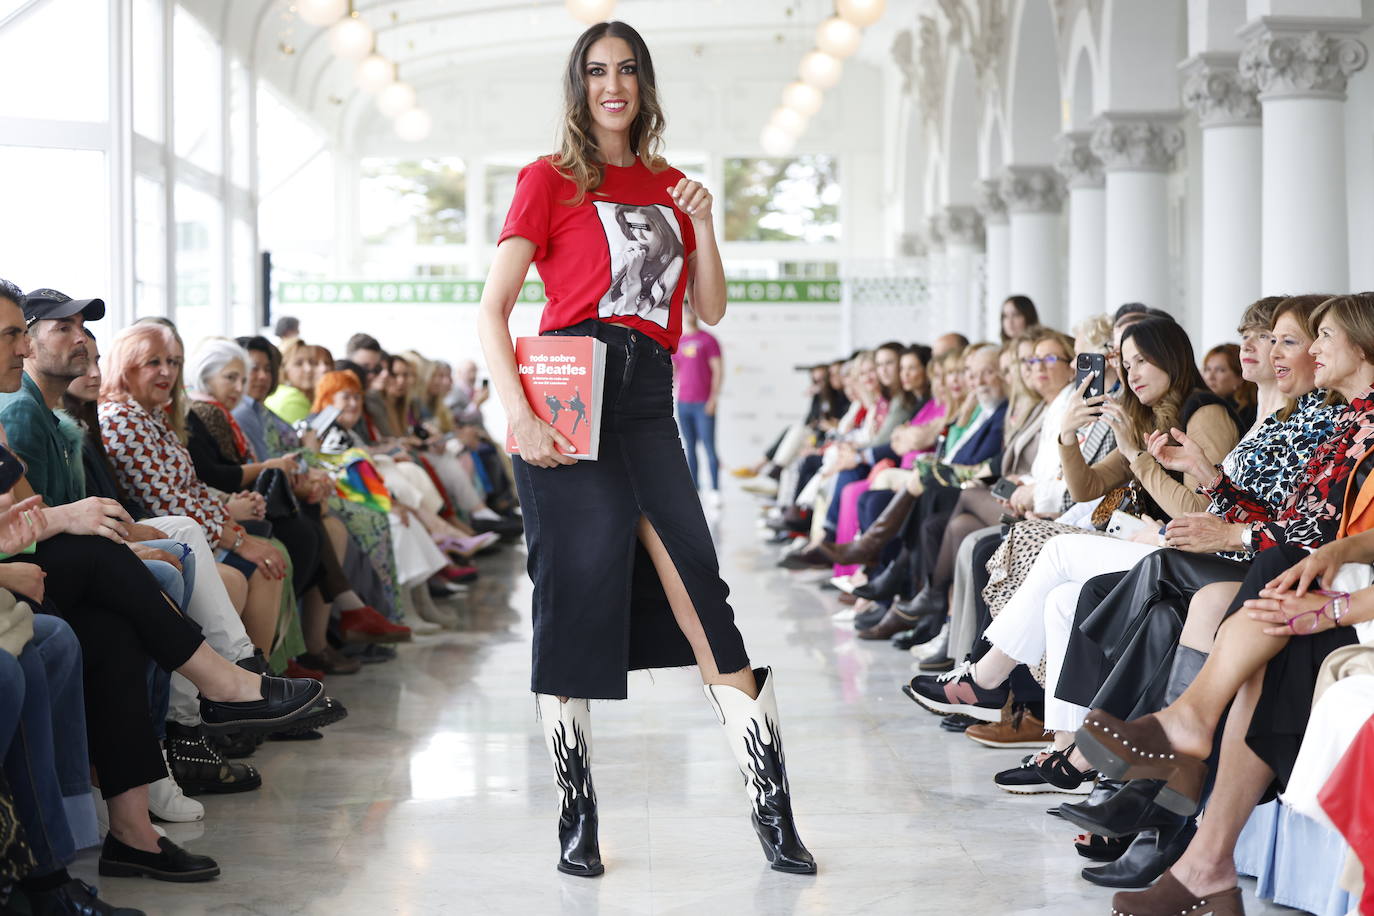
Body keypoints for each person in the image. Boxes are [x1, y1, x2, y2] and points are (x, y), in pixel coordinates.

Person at [476, 21, 815, 878]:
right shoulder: (547, 180)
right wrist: (519, 414)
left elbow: (709, 308)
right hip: (569, 397)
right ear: (578, 86)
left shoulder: (672, 185)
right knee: (573, 598)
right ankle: (575, 814)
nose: (612, 84)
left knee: (704, 590)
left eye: (626, 69)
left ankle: (773, 813)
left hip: (648, 400)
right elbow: (493, 310)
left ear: (645, 83)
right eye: (596, 71)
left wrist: (703, 225)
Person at [672, 307, 723, 499]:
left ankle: (715, 490)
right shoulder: (680, 341)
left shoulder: (708, 340)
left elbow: (718, 371)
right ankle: (695, 490)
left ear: (697, 315)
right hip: (684, 402)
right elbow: (674, 370)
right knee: (689, 447)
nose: (689, 315)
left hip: (704, 403)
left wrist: (713, 398)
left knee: (709, 447)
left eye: (692, 312)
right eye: (686, 312)